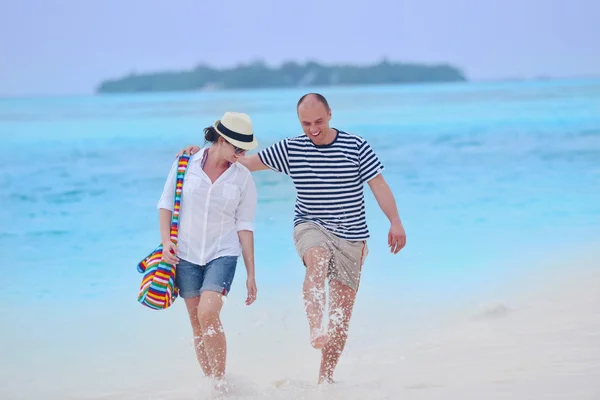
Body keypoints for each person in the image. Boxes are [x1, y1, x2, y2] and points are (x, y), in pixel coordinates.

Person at [178, 93, 406, 384]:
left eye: (319, 122)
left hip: (352, 236)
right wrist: (205, 153)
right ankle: (314, 327)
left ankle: (325, 380)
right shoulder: (291, 148)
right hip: (310, 225)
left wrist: (395, 221)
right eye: (306, 123)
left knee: (341, 316)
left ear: (331, 115)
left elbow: (379, 184)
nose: (312, 129)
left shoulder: (356, 146)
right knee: (317, 259)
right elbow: (244, 161)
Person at [158, 111, 259, 394]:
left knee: (209, 313)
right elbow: (165, 204)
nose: (240, 154)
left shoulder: (242, 178)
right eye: (237, 148)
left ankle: (221, 382)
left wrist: (251, 273)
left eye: (243, 150)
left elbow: (245, 225)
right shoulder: (185, 163)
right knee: (196, 322)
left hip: (222, 253)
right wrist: (166, 242)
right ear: (222, 139)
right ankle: (211, 386)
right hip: (185, 254)